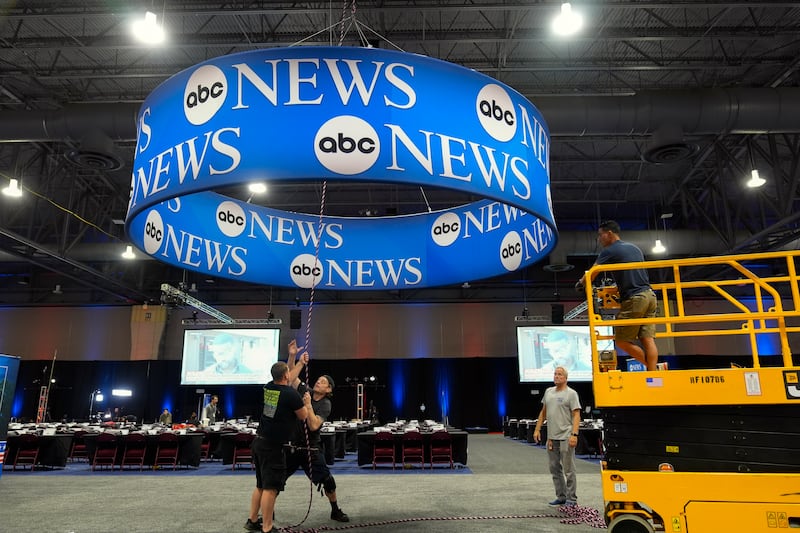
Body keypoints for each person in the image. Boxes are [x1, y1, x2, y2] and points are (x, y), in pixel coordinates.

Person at [576, 220, 659, 371]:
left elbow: (593, 272)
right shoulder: (634, 248)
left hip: (635, 298)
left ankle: (650, 368)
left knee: (621, 341)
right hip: (650, 296)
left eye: (600, 235)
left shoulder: (610, 250)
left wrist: (581, 284)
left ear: (609, 234)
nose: (599, 239)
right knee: (648, 339)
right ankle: (655, 376)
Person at [285, 340, 350, 523]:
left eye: (323, 382)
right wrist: (293, 356)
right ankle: (267, 511)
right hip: (292, 446)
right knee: (274, 480)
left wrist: (307, 406)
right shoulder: (305, 389)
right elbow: (290, 377)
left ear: (328, 389)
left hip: (311, 449)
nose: (318, 382)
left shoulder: (326, 404)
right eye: (318, 379)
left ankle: (335, 510)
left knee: (328, 480)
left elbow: (313, 426)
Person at [244, 361, 310, 533]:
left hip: (259, 442)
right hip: (272, 446)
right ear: (286, 375)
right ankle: (267, 527)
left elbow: (289, 377)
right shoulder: (290, 394)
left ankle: (252, 520)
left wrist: (300, 363)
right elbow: (303, 416)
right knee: (270, 488)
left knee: (260, 484)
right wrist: (306, 402)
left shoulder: (268, 387)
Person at [533, 366, 581, 507]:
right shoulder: (548, 392)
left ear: (566, 378)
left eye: (560, 374)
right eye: (555, 374)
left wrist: (574, 434)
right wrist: (537, 429)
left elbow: (576, 414)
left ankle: (572, 499)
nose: (556, 376)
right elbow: (543, 412)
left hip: (566, 436)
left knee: (569, 469)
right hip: (552, 438)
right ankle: (561, 496)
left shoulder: (571, 394)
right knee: (554, 468)